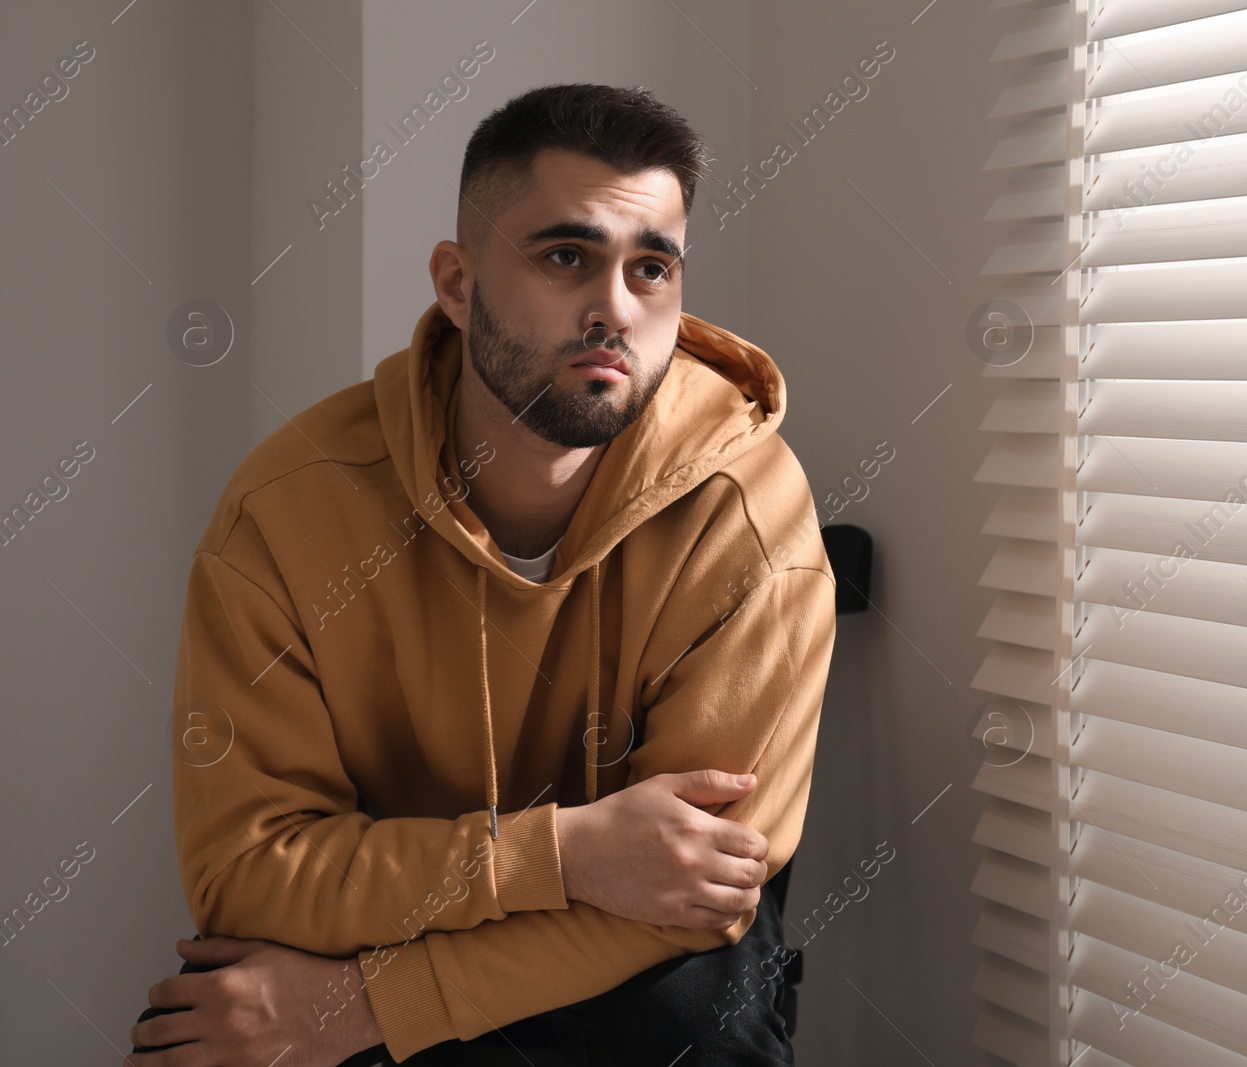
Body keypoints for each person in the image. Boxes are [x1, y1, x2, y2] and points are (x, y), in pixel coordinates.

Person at [126, 82, 836, 1066]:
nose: (612, 311)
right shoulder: (284, 513)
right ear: (456, 285)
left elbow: (698, 892)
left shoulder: (747, 509)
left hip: (634, 973)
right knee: (206, 1027)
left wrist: (360, 1006)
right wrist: (567, 853)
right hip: (389, 921)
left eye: (651, 269)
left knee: (695, 1015)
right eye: (565, 256)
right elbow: (247, 875)